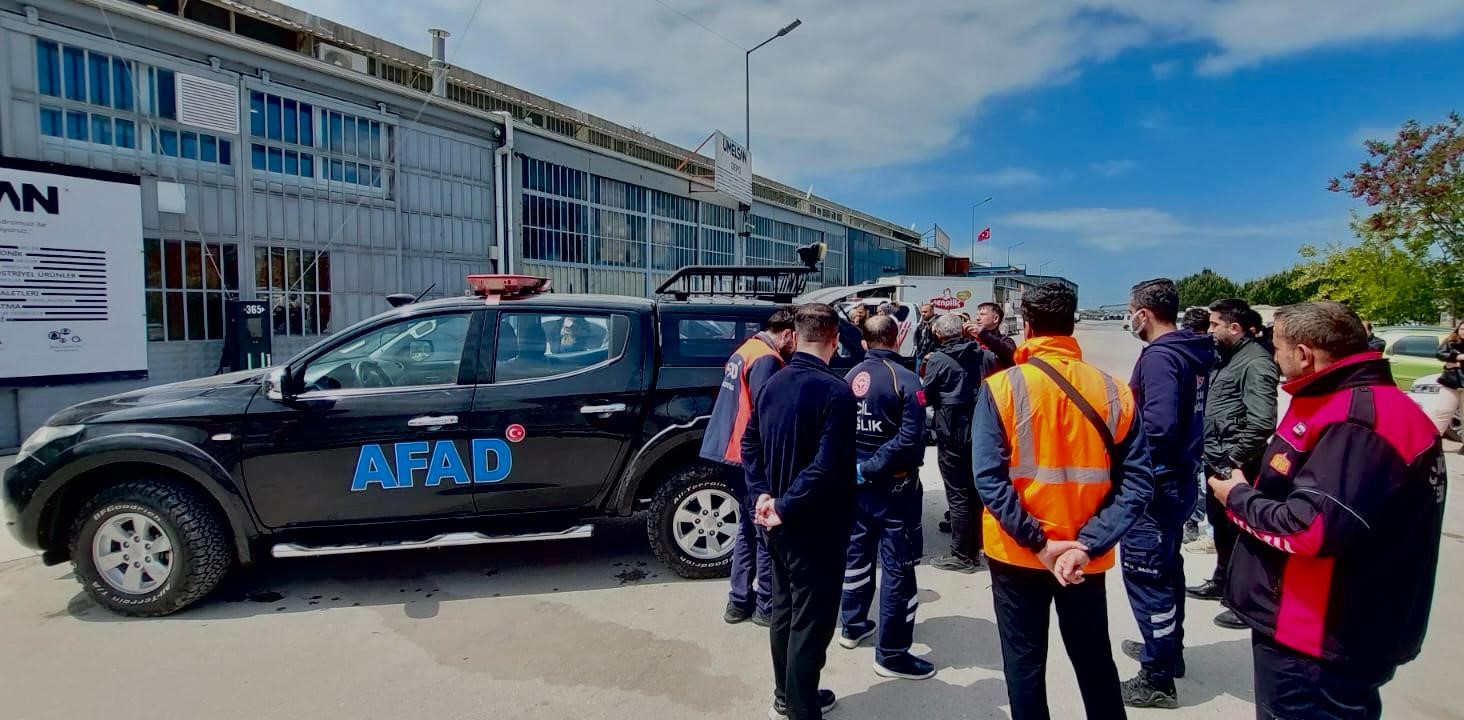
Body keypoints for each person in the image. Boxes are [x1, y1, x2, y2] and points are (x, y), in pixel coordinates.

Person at [1208, 301, 1445, 720]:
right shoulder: (1347, 403)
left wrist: (1237, 496)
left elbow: (1310, 529)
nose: (1272, 355)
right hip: (1329, 628)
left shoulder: (1356, 422)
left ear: (1304, 354)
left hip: (1317, 637)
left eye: (1276, 346)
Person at [974, 282, 1155, 720]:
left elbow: (988, 478)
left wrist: (1038, 542)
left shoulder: (1002, 388)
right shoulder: (1114, 391)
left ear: (1028, 325)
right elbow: (1138, 484)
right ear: (1072, 323)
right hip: (1083, 559)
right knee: (1095, 662)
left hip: (1018, 554)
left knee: (1024, 667)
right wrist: (1087, 544)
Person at [743, 303, 857, 720]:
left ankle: (788, 694)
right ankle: (801, 708)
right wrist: (780, 504)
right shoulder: (836, 391)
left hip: (777, 519)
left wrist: (761, 495)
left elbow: (749, 444)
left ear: (796, 333)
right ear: (834, 339)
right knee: (811, 621)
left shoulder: (774, 382)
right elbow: (827, 465)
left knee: (785, 610)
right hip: (814, 525)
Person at [1116, 280, 1215, 709]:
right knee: (1167, 568)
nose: (1129, 317)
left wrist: (1123, 460)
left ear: (1145, 313)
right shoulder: (1190, 351)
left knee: (1146, 573)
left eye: (1131, 310)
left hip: (1156, 483)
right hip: (1179, 477)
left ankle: (1156, 676)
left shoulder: (1160, 358)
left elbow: (1157, 427)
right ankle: (1166, 650)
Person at [837, 315, 935, 681]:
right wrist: (872, 468)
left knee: (857, 554)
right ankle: (892, 653)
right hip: (894, 489)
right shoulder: (907, 379)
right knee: (898, 567)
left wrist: (858, 469)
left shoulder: (848, 378)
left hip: (858, 485)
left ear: (864, 342)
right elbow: (911, 441)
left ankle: (852, 624)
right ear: (897, 339)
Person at [699, 306, 797, 627]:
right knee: (765, 530)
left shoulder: (747, 349)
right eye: (795, 339)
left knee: (747, 528)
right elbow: (766, 415)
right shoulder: (767, 359)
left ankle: (738, 601)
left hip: (731, 451)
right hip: (749, 456)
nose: (796, 346)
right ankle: (766, 606)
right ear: (786, 334)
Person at [1187, 298, 1278, 632]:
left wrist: (1234, 459)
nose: (1210, 330)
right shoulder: (1228, 359)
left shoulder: (1255, 363)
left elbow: (1262, 421)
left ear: (1234, 327)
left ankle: (1246, 601)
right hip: (1216, 459)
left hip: (1237, 464)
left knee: (1243, 535)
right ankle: (1222, 582)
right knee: (1221, 528)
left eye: (1214, 325)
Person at [923, 313, 999, 573]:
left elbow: (927, 396)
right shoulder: (983, 355)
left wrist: (920, 395)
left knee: (957, 493)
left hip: (951, 431)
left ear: (939, 335)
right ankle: (976, 543)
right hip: (981, 430)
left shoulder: (939, 360)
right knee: (977, 488)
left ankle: (962, 555)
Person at [1430, 320, 1464, 442]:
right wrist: (1457, 358)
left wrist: (1453, 364)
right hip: (1451, 382)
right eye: (1461, 329)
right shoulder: (1451, 341)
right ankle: (1433, 442)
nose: (1463, 332)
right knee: (1442, 411)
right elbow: (1440, 354)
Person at [967, 301, 1018, 369]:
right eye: (977, 315)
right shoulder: (971, 340)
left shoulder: (1006, 342)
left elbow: (1005, 350)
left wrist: (982, 333)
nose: (977, 318)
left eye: (982, 314)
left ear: (995, 318)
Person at [913, 304, 939, 373]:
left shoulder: (936, 322)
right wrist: (916, 346)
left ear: (932, 311)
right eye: (922, 312)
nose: (923, 314)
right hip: (920, 353)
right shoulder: (923, 322)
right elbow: (916, 334)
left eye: (925, 312)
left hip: (930, 355)